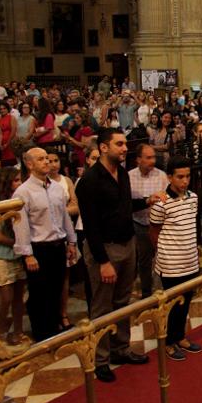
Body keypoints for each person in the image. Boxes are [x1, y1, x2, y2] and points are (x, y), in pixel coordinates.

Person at [76, 129, 162, 383]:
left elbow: (124, 208)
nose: (125, 148)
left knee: (123, 300)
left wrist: (147, 200)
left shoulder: (122, 173)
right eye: (119, 144)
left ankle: (121, 348)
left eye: (125, 144)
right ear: (104, 147)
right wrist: (103, 261)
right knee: (103, 306)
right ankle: (100, 359)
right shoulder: (90, 180)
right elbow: (90, 226)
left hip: (127, 243)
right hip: (105, 248)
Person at [12, 147, 78, 342]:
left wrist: (71, 241)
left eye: (47, 159)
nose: (46, 162)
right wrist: (27, 254)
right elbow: (21, 225)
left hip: (57, 245)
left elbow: (64, 216)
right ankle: (42, 334)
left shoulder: (56, 187)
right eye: (41, 159)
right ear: (29, 164)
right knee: (40, 293)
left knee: (56, 289)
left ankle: (54, 328)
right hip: (38, 249)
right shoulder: (23, 192)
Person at [149, 156, 202, 361]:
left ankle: (180, 336)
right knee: (171, 305)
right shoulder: (161, 203)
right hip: (171, 263)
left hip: (189, 260)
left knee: (185, 302)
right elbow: (154, 231)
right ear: (169, 177)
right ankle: (168, 342)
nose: (185, 181)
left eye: (188, 176)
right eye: (180, 177)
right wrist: (163, 252)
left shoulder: (193, 197)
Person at [0, 168, 29, 345]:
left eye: (20, 180)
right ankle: (0, 332)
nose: (20, 184)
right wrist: (20, 242)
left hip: (17, 253)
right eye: (16, 180)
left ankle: (18, 331)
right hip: (1, 255)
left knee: (19, 297)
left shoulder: (18, 200)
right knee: (6, 298)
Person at [129, 143, 169, 298]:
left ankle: (162, 291)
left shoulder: (161, 175)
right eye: (148, 157)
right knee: (144, 261)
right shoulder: (129, 177)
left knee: (162, 257)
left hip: (159, 224)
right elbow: (128, 203)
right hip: (140, 223)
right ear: (138, 159)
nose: (153, 160)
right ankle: (146, 294)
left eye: (153, 157)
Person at [47, 150, 79, 330]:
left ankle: (64, 313)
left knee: (65, 275)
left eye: (56, 160)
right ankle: (51, 315)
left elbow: (75, 206)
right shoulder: (42, 183)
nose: (53, 164)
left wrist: (60, 210)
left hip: (66, 229)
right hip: (48, 233)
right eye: (49, 160)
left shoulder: (66, 181)